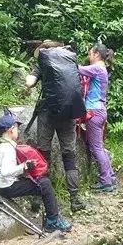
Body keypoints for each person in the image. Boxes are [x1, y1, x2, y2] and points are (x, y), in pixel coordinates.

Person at [25, 41, 87, 211]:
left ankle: (39, 198)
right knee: (69, 155)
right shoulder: (69, 59)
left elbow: (29, 82)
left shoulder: (42, 63)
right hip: (68, 113)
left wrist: (35, 74)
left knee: (43, 154)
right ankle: (75, 199)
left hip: (47, 113)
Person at [0, 112, 72, 232]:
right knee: (45, 184)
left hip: (3, 185)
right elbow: (5, 172)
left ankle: (44, 211)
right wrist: (24, 166)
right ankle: (52, 221)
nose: (18, 130)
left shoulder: (0, 146)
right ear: (10, 130)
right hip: (8, 187)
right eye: (16, 128)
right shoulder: (7, 148)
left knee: (38, 182)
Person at [78, 43, 116, 191]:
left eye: (90, 53)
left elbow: (78, 69)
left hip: (94, 111)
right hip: (99, 110)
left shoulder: (97, 68)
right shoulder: (102, 68)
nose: (89, 56)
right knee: (99, 146)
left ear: (96, 54)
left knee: (96, 147)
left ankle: (105, 181)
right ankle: (110, 176)